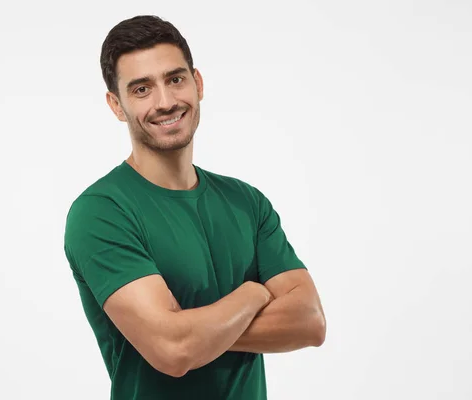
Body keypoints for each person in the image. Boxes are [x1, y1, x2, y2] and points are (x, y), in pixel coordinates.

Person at [63, 15, 326, 400]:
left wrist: (191, 328)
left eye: (175, 79)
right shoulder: (102, 212)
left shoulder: (246, 202)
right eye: (141, 89)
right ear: (116, 105)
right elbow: (174, 351)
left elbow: (310, 322)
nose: (165, 101)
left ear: (198, 83)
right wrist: (252, 294)